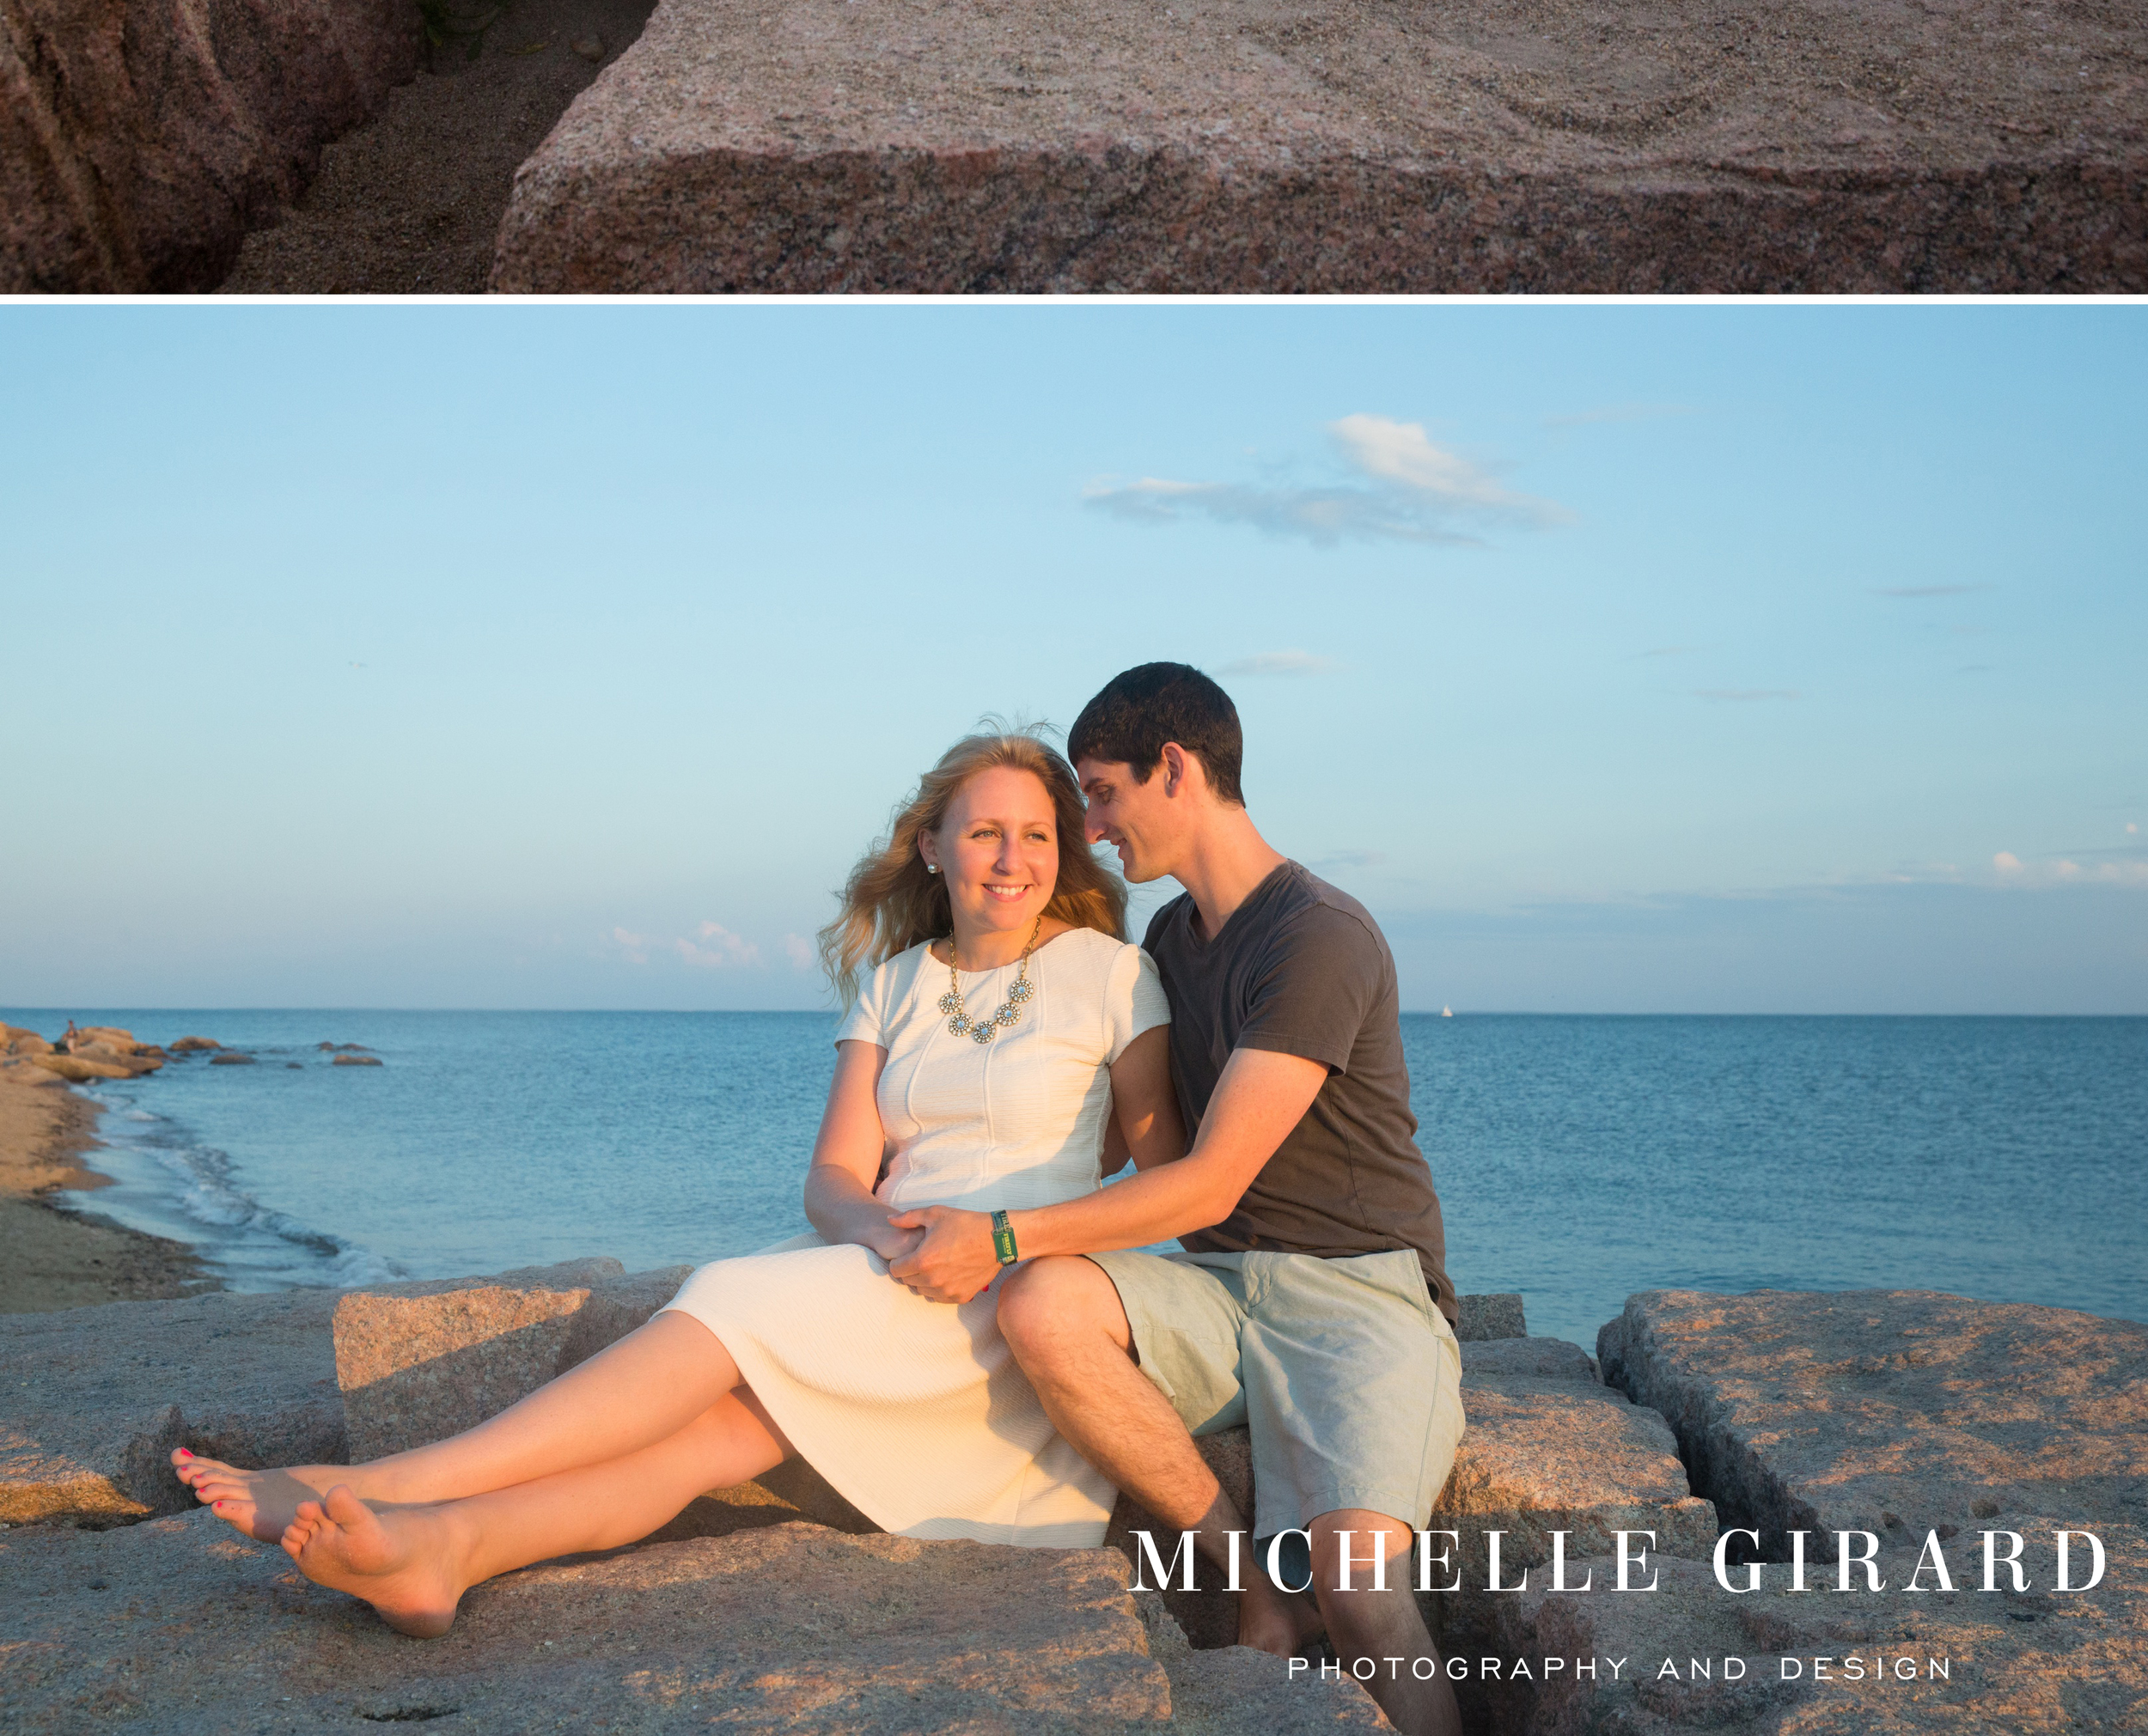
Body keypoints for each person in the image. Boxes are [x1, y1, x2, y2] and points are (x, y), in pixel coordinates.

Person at [170, 728, 1183, 1636]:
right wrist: (886, 1238)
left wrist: (1006, 1239)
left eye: (1037, 835)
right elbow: (832, 1175)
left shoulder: (1109, 973)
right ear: (932, 845)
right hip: (890, 1269)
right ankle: (448, 1552)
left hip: (1010, 1300)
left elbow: (1164, 1173)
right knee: (715, 1435)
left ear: (1065, 851)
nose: (1012, 860)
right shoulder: (895, 982)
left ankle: (387, 1484)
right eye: (984, 833)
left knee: (727, 1292)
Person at [885, 663, 1467, 1736]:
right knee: (1040, 1307)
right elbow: (1115, 1144)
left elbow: (1207, 1177)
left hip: (1359, 1291)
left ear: (1174, 767)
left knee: (1362, 1590)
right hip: (1214, 1284)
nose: (1093, 827)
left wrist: (1002, 1232)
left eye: (1101, 793)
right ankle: (1255, 1587)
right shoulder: (1167, 942)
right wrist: (940, 1171)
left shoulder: (1317, 936)